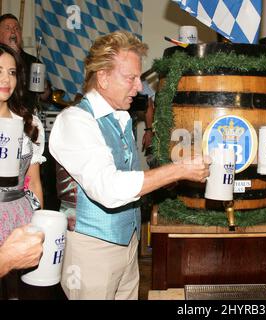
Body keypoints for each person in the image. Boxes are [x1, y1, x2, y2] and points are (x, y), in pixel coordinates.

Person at [49, 31, 210, 300]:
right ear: (102, 77)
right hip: (92, 250)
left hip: (128, 243)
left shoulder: (121, 118)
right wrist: (179, 169)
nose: (138, 88)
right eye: (130, 78)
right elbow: (108, 188)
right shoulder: (75, 121)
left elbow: (127, 178)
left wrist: (167, 178)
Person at [0, 43, 45, 300]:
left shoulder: (28, 122)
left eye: (12, 72)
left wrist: (38, 228)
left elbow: (35, 183)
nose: (6, 79)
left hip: (19, 215)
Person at [0, 13, 52, 113]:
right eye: (8, 28)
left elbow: (45, 98)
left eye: (17, 28)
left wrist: (44, 86)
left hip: (27, 117)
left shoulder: (33, 62)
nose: (13, 31)